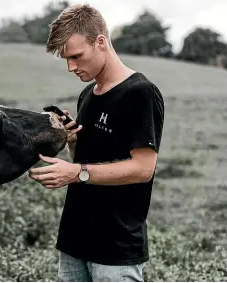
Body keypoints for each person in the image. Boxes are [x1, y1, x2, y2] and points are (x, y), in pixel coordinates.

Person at [28, 4, 165, 282]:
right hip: (74, 242)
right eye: (67, 59)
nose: (71, 67)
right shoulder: (88, 94)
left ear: (101, 42)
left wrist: (76, 173)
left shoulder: (141, 93)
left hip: (115, 249)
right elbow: (86, 161)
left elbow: (143, 168)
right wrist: (73, 143)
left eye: (76, 56)